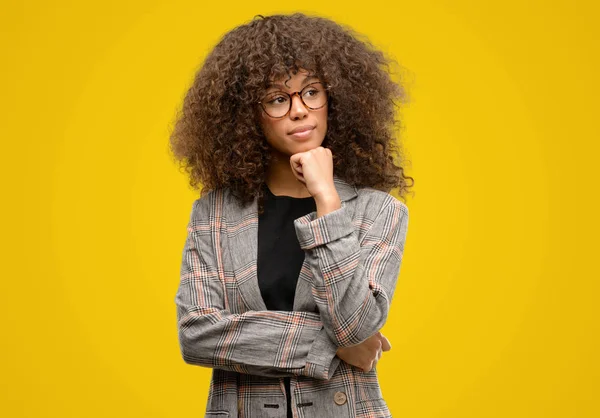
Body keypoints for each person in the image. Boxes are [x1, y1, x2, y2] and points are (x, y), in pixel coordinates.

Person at [169, 12, 414, 418]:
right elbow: (196, 336)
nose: (300, 110)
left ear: (334, 98)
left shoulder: (379, 211)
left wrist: (327, 200)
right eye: (278, 99)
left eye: (311, 92)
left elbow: (354, 325)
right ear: (248, 115)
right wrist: (330, 344)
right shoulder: (213, 214)